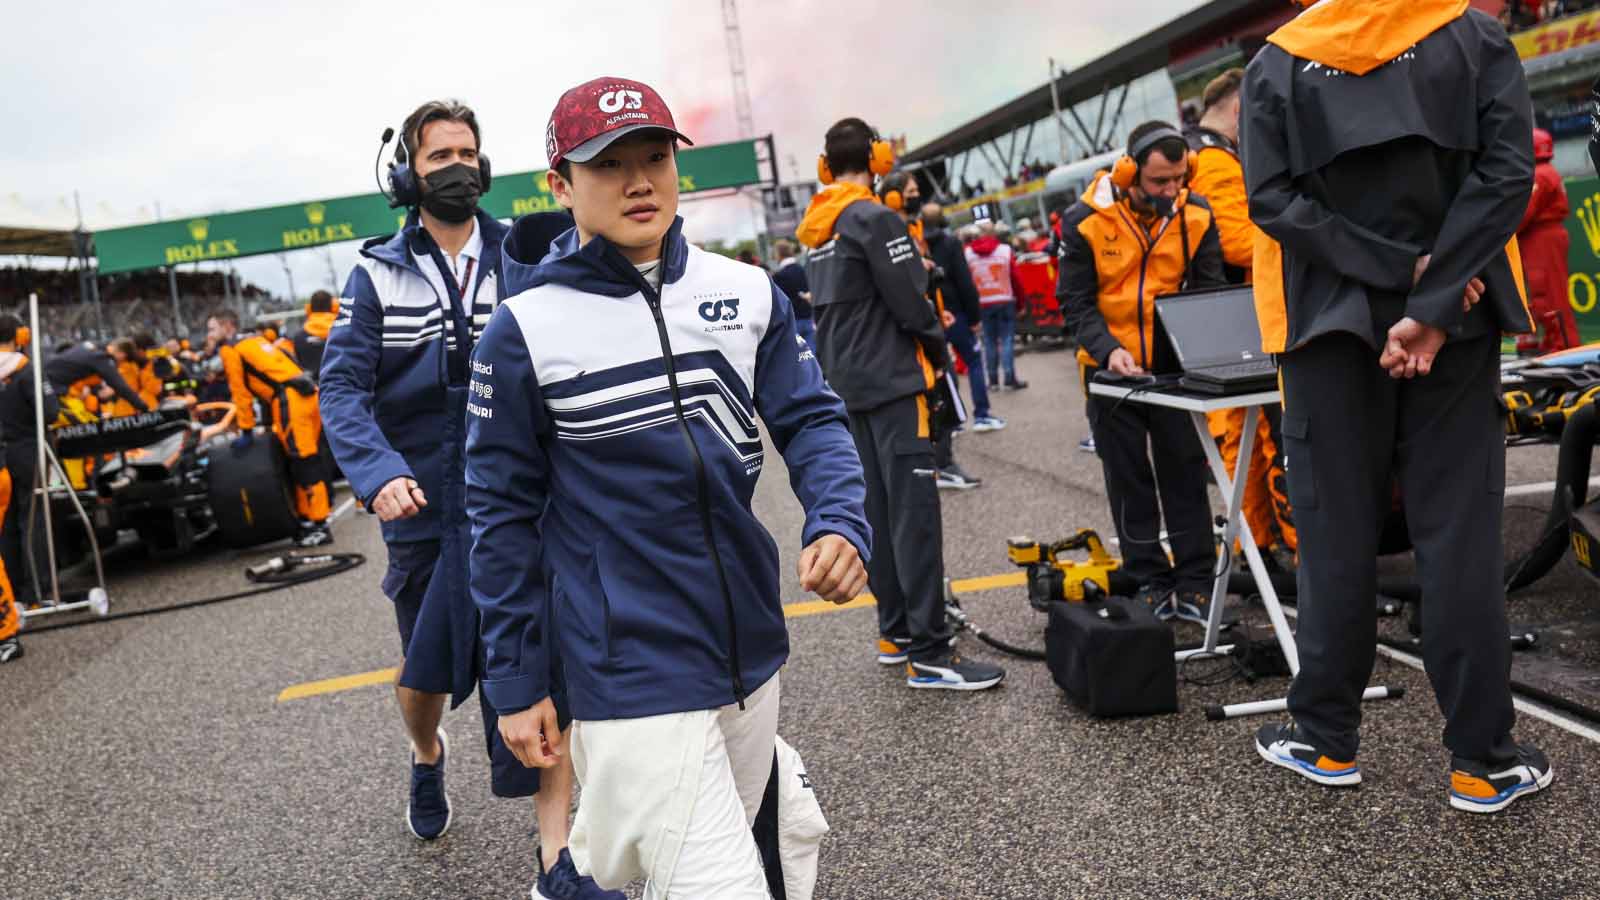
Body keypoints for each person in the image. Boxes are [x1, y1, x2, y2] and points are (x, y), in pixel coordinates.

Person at [467, 76, 869, 897]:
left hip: (751, 646)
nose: (639, 180)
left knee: (731, 860)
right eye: (608, 165)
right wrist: (516, 681)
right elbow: (498, 517)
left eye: (654, 157)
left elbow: (815, 421)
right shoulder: (523, 329)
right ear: (560, 185)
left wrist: (838, 521)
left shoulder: (747, 291)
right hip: (625, 667)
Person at [1242, 0, 1551, 813]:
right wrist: (1438, 290)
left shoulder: (1277, 62)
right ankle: (1484, 760)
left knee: (1334, 533)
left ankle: (1323, 740)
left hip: (1326, 329)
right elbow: (1507, 173)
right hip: (1460, 321)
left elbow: (1271, 202)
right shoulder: (1475, 37)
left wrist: (1392, 271)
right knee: (1459, 536)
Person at [798, 115, 1006, 688]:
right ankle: (933, 653)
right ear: (878, 157)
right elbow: (913, 302)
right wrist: (939, 354)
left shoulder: (816, 227)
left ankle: (895, 631)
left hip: (846, 387)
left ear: (823, 166)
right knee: (913, 518)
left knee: (879, 516)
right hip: (894, 383)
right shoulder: (874, 216)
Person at [1057, 121, 1227, 624]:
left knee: (1185, 476)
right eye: (1159, 182)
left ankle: (1197, 583)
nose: (1171, 190)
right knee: (1129, 480)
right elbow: (1075, 301)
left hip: (1173, 374)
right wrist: (1108, 350)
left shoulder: (1196, 213)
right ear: (1130, 173)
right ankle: (1150, 578)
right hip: (1111, 374)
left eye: (1179, 178)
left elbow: (1209, 289)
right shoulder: (1084, 219)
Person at [1186, 67, 1297, 570]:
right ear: (1238, 110)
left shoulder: (1201, 153)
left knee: (1249, 438)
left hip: (1226, 318)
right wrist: (1301, 239)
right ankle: (1281, 549)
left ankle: (1257, 547)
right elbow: (1237, 241)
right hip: (1242, 316)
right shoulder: (1213, 160)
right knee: (1264, 436)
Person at [874, 171, 987, 492]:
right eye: (909, 191)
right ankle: (943, 463)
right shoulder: (891, 232)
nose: (915, 196)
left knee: (941, 392)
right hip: (918, 328)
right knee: (943, 391)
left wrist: (940, 309)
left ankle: (938, 461)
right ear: (893, 196)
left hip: (932, 318)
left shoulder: (911, 228)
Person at [209, 310, 333, 548]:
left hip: (289, 400)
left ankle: (319, 526)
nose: (210, 335)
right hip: (308, 394)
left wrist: (246, 429)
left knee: (304, 463)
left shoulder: (230, 349)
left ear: (227, 326)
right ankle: (309, 519)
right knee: (308, 459)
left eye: (213, 328)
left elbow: (240, 392)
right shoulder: (255, 339)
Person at [922, 201, 1002, 438]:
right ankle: (982, 415)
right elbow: (964, 281)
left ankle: (952, 421)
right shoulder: (950, 243)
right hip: (955, 313)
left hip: (929, 316)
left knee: (943, 368)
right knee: (974, 360)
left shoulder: (916, 243)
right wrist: (974, 316)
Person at [0, 315, 55, 620]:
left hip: (0, 455)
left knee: (5, 527)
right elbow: (50, 411)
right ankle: (39, 593)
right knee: (33, 520)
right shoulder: (26, 368)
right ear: (19, 335)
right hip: (26, 450)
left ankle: (12, 597)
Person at [1517, 127, 1578, 353]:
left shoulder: (1541, 174)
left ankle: (1564, 346)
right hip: (1540, 236)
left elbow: (1524, 212)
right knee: (1544, 294)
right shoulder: (1545, 171)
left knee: (1550, 296)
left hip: (1542, 237)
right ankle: (1556, 343)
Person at [967, 221, 1029, 390]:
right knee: (1007, 340)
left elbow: (966, 283)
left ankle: (993, 381)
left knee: (989, 341)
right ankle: (1009, 378)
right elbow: (1016, 279)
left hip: (983, 302)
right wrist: (1021, 303)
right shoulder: (1005, 251)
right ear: (994, 233)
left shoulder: (968, 254)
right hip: (1004, 299)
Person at [770, 239, 815, 350]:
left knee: (798, 359)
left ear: (778, 254)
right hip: (809, 317)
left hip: (792, 322)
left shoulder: (779, 276)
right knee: (812, 356)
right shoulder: (804, 269)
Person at [290, 290, 338, 380]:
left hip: (314, 390)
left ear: (309, 309)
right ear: (334, 307)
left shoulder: (299, 337)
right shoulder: (344, 332)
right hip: (343, 388)